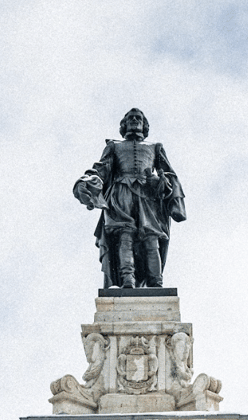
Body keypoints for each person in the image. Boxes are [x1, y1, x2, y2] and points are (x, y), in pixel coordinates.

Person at [73, 107, 186, 289]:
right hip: (120, 194)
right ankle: (127, 281)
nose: (135, 120)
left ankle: (155, 283)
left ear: (144, 124)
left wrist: (159, 182)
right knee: (124, 236)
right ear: (124, 124)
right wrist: (86, 181)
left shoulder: (155, 147)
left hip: (147, 197)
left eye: (138, 118)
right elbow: (101, 169)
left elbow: (169, 175)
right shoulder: (114, 146)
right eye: (131, 118)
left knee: (151, 238)